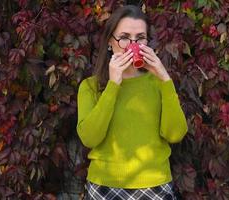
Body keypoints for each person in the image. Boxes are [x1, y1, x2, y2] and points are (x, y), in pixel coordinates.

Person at [76, 4, 188, 200]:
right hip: (104, 186)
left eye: (140, 38)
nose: (132, 45)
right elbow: (89, 138)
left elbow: (175, 134)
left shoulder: (158, 83)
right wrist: (113, 86)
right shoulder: (90, 87)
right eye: (125, 37)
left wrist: (165, 79)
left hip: (155, 186)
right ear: (110, 41)